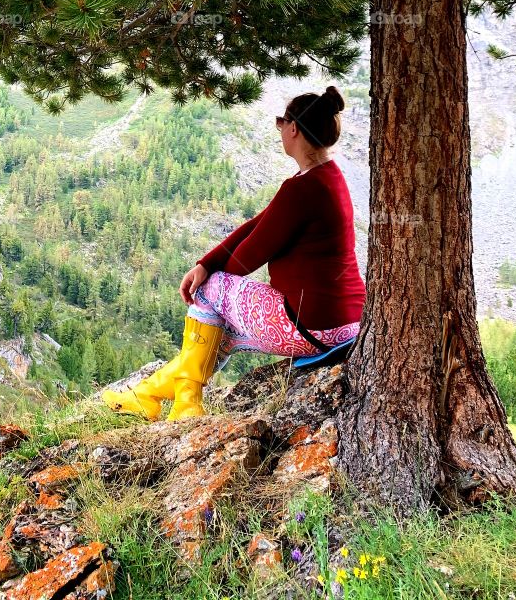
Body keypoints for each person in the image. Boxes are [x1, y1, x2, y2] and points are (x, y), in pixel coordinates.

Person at [101, 85, 366, 421]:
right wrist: (206, 262)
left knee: (209, 292)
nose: (280, 130)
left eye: (280, 123)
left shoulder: (302, 190)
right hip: (348, 324)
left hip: (312, 326)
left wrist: (206, 273)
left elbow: (246, 258)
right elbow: (260, 223)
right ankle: (150, 393)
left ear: (294, 128)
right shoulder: (328, 177)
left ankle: (186, 406)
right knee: (215, 330)